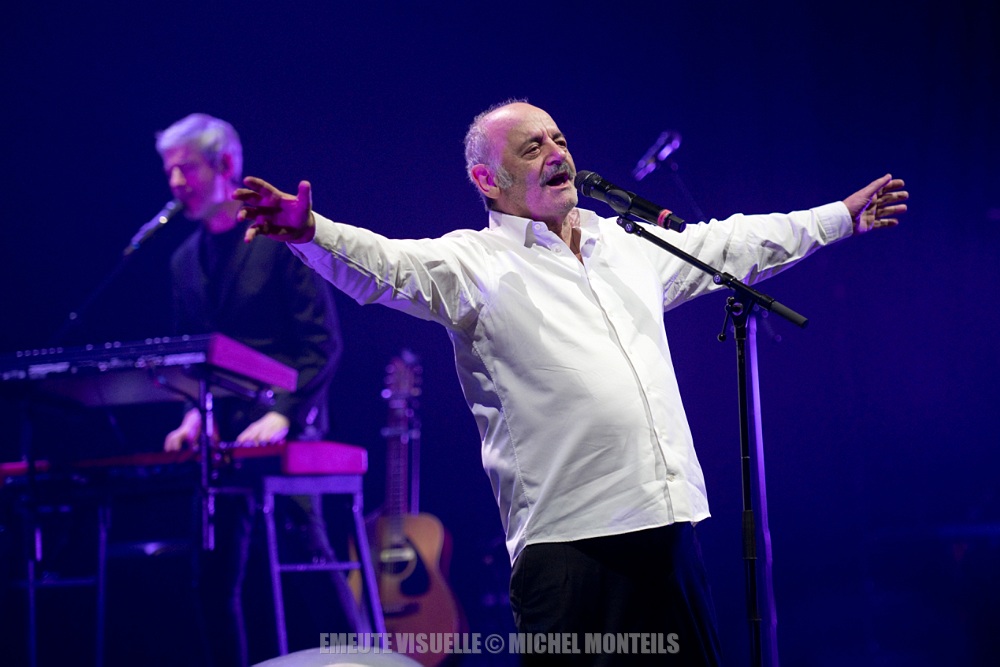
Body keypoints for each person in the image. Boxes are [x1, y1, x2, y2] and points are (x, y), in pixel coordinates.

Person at [233, 101, 908, 665]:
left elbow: (731, 245)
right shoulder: (471, 264)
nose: (556, 152)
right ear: (487, 179)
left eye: (558, 139)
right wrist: (309, 231)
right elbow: (385, 266)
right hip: (569, 549)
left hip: (667, 526)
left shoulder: (628, 245)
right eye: (532, 147)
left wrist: (838, 217)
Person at [155, 113, 344, 667]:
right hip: (221, 436)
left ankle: (362, 659)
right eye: (169, 171)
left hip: (286, 422)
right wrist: (193, 416)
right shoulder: (182, 262)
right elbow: (192, 358)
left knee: (308, 559)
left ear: (226, 165)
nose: (176, 182)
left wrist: (284, 413)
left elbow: (321, 343)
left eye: (187, 168)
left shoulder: (277, 239)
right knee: (211, 578)